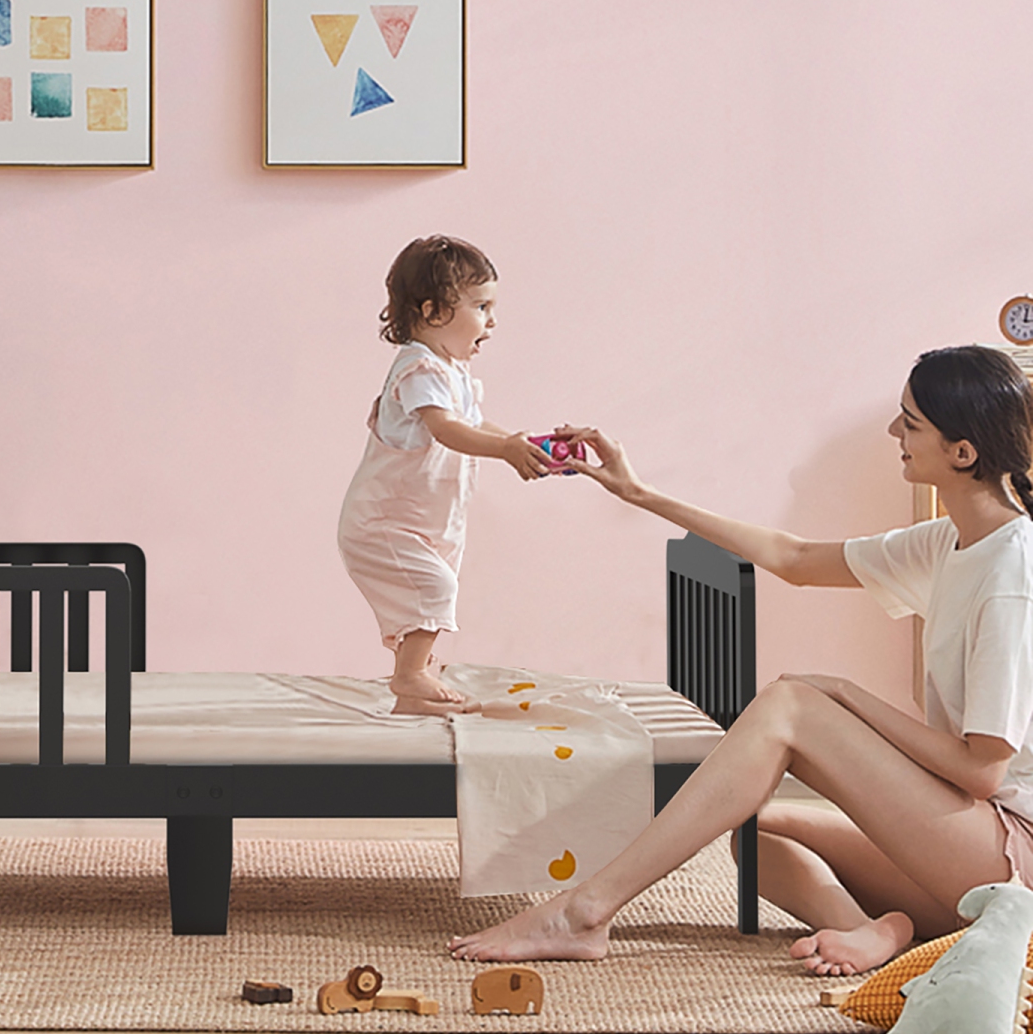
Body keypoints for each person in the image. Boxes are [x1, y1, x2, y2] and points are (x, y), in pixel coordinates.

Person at [449, 344, 1033, 975]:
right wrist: (637, 492)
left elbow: (982, 772)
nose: (895, 431)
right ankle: (872, 932)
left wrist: (845, 694)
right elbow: (796, 559)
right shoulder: (952, 541)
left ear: (962, 452)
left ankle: (585, 910)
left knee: (794, 704)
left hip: (1010, 858)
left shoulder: (1010, 573)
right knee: (757, 831)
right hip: (968, 848)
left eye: (910, 422)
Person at [337, 236, 550, 717]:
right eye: (481, 306)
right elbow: (447, 428)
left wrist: (524, 443)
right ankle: (409, 675)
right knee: (433, 590)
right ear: (433, 312)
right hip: (384, 523)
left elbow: (473, 424)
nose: (491, 321)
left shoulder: (449, 371)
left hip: (423, 523)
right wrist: (503, 450)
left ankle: (415, 691)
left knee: (422, 597)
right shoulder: (419, 368)